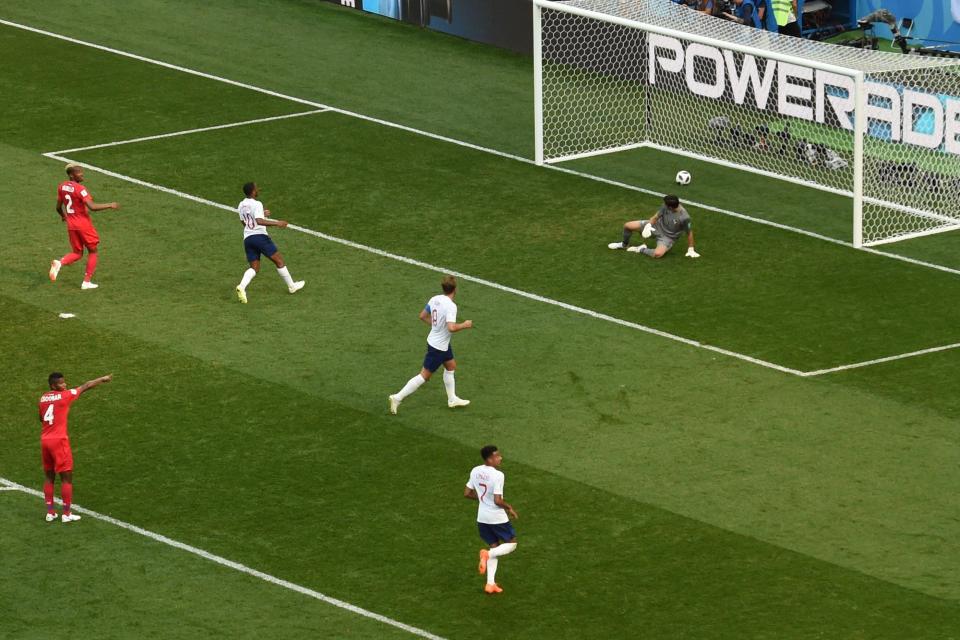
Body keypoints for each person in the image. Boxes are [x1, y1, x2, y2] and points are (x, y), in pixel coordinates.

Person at [388, 275, 472, 414]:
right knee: (424, 376)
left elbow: (422, 316)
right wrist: (465, 324)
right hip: (438, 347)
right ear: (455, 289)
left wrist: (437, 327)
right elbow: (451, 328)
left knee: (451, 366)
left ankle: (452, 399)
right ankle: (397, 397)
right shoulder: (451, 306)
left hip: (439, 343)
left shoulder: (435, 299)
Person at [38, 372, 112, 523]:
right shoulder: (65, 395)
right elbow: (85, 386)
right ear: (53, 385)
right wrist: (102, 379)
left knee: (49, 477)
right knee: (66, 477)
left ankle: (50, 512)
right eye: (61, 383)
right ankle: (66, 514)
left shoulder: (43, 398)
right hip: (59, 441)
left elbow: (41, 418)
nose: (64, 385)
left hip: (45, 440)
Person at [49, 164, 120, 290]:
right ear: (71, 175)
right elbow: (92, 207)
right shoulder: (81, 189)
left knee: (77, 252)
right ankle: (86, 282)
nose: (82, 174)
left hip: (71, 225)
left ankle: (60, 262)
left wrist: (64, 216)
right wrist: (110, 205)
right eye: (79, 172)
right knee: (93, 251)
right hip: (83, 224)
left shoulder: (62, 186)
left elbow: (58, 207)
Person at [235, 182, 304, 303]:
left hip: (248, 239)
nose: (258, 190)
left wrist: (262, 214)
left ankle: (241, 286)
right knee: (279, 261)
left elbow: (245, 222)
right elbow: (259, 221)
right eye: (256, 189)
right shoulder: (257, 203)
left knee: (254, 268)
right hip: (260, 237)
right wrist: (278, 223)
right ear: (252, 191)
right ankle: (292, 286)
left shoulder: (241, 205)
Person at [464, 445, 518, 594]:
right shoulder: (498, 475)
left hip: (482, 518)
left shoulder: (475, 470)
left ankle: (490, 584)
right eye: (497, 456)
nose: (500, 458)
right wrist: (509, 508)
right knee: (511, 544)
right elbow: (497, 500)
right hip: (497, 518)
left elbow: (467, 493)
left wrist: (482, 500)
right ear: (489, 459)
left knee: (495, 547)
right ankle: (486, 555)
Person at [608, 194, 700, 259]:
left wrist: (691, 249)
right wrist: (648, 225)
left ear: (671, 207)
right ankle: (624, 244)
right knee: (628, 226)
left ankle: (640, 249)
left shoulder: (684, 217)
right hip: (656, 226)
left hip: (668, 237)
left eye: (666, 205)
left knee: (657, 254)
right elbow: (655, 217)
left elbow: (689, 233)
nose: (664, 205)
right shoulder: (666, 206)